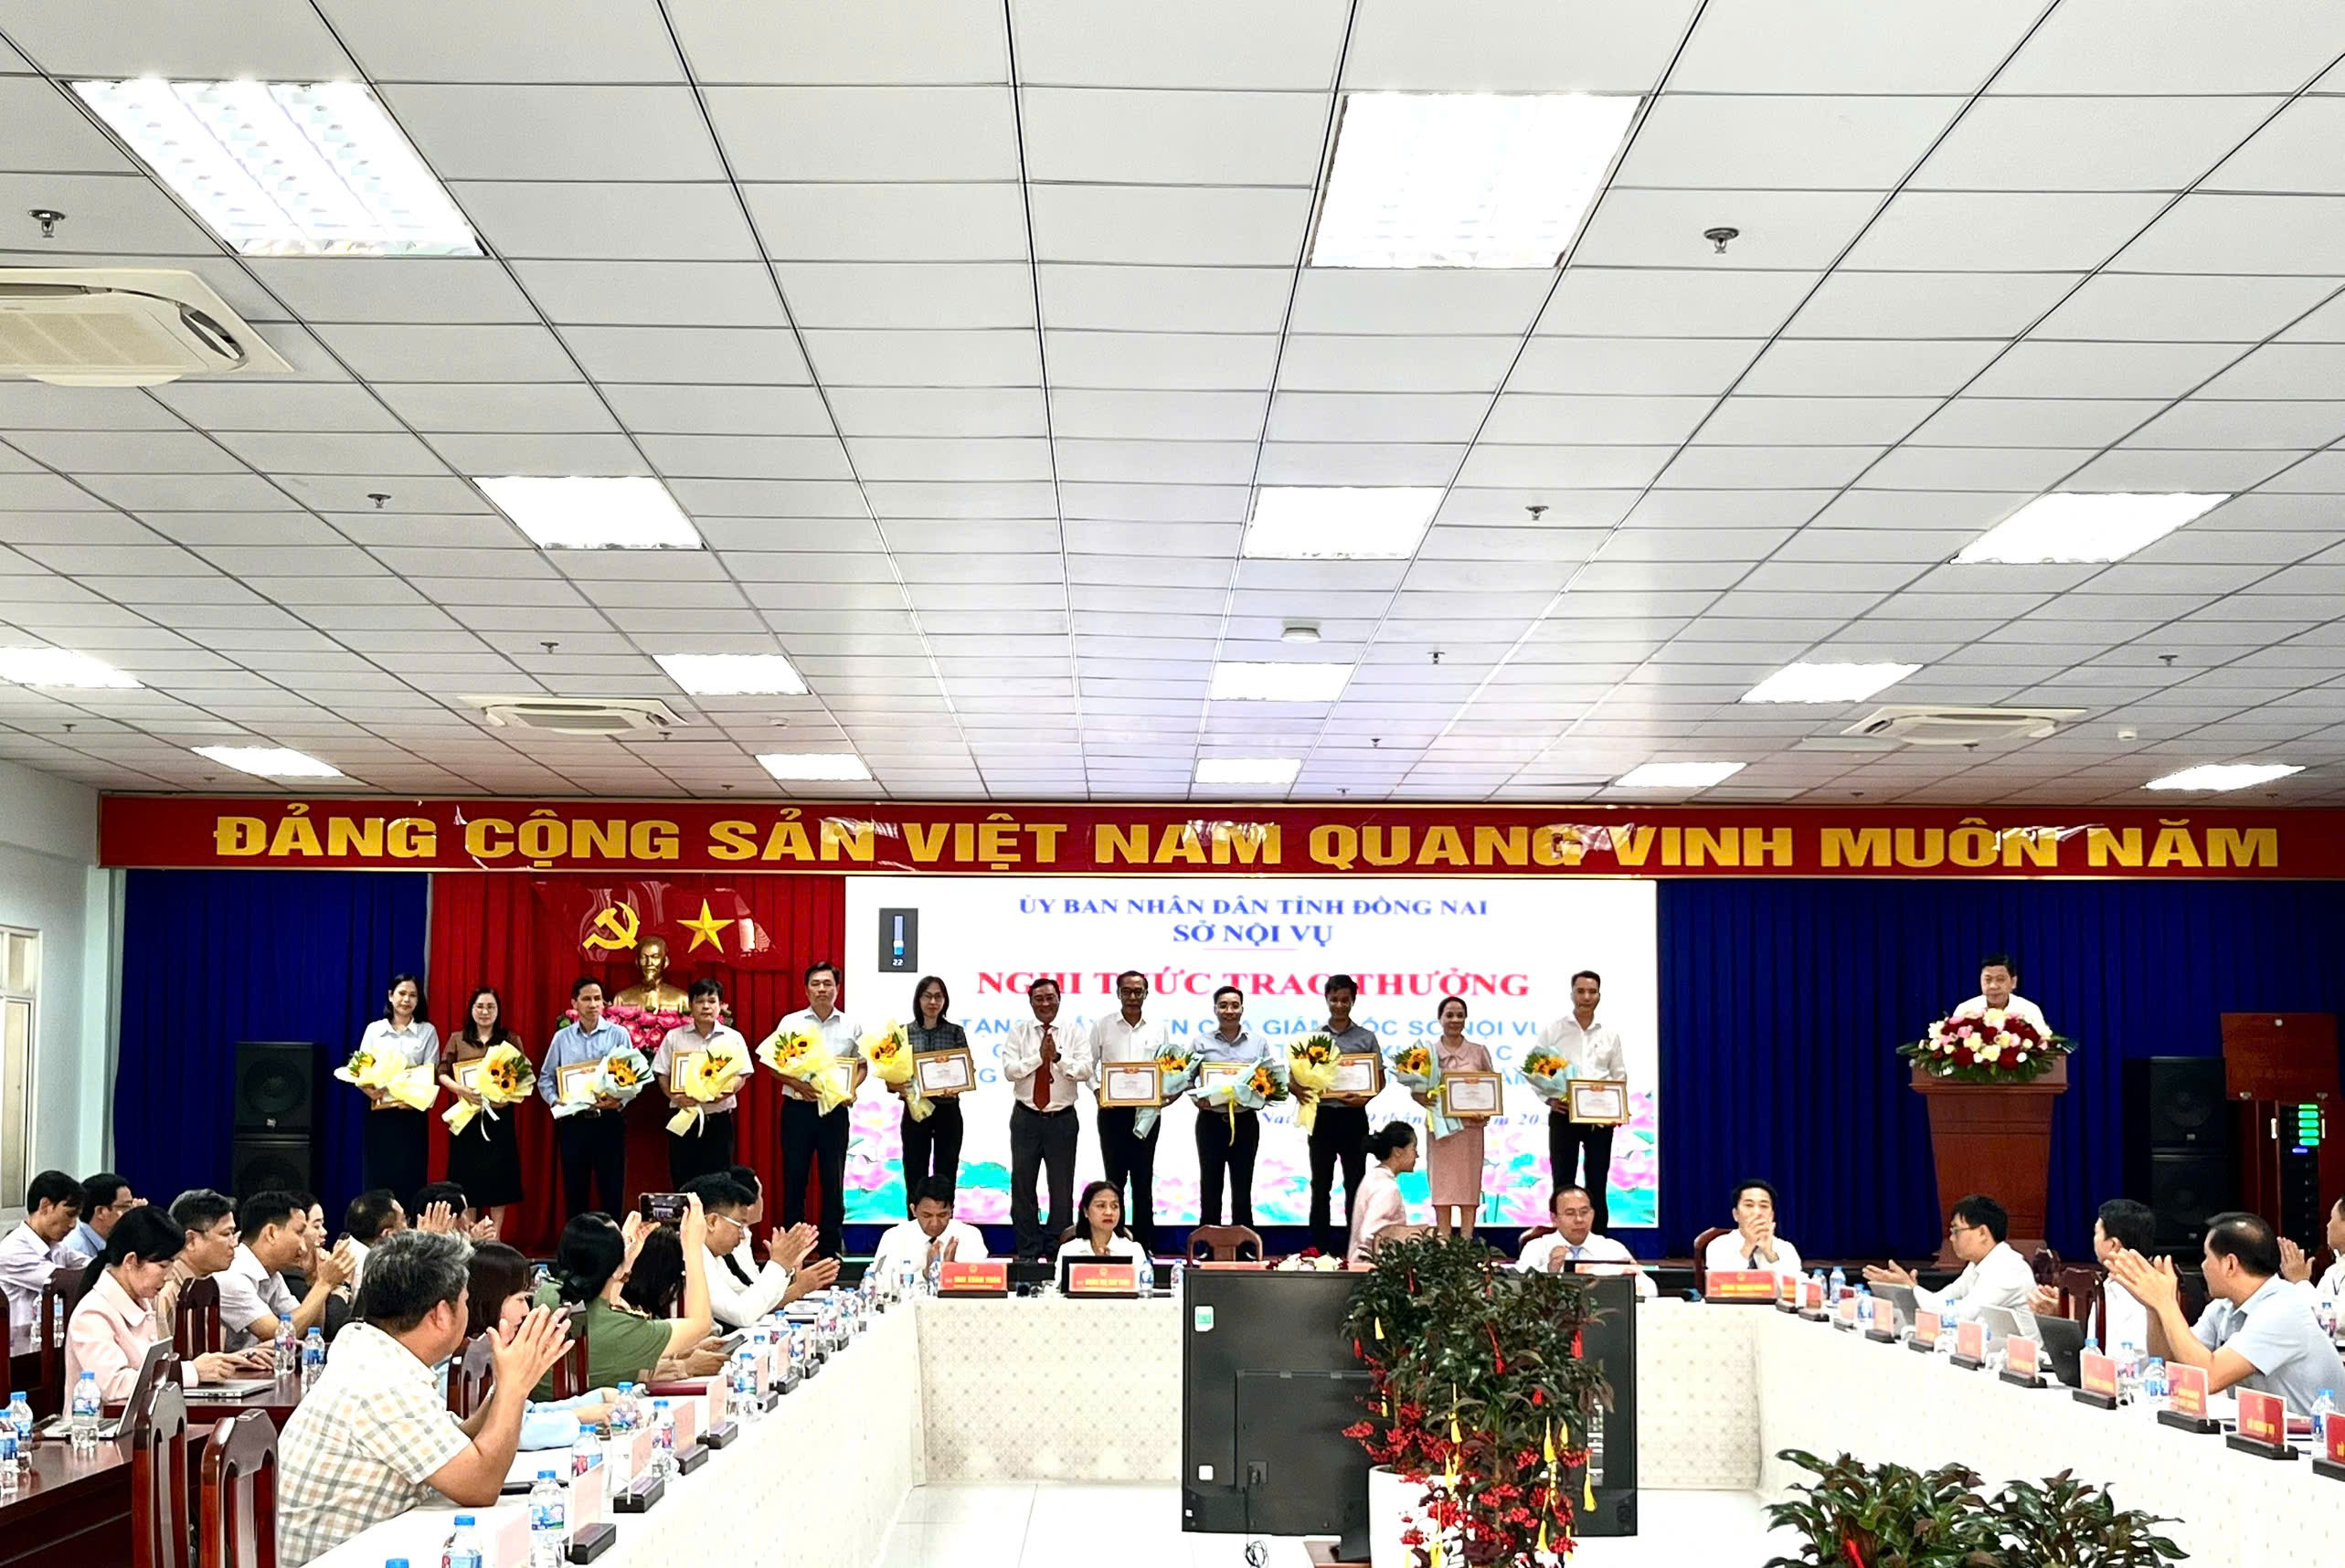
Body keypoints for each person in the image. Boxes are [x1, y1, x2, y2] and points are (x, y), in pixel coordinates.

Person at [275, 1230, 572, 1567]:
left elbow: (457, 1443)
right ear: (441, 1314)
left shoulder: (375, 1351)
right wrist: (515, 1390)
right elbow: (480, 1486)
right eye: (464, 1301)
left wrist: (507, 1385)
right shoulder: (383, 1380)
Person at [2108, 1211, 2342, 1417]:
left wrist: (2167, 1303)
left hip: (2317, 1443)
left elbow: (2209, 1378)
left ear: (2230, 1264)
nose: (2202, 1266)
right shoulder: (2223, 1307)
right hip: (2263, 1435)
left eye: (2206, 1257)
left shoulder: (2283, 1309)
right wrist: (2154, 1308)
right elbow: (2169, 1365)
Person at [65, 1205, 269, 1398]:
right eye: (163, 1266)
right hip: (104, 1422)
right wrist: (190, 1371)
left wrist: (228, 1362)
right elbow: (114, 1385)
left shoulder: (142, 1301)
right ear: (131, 1261)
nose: (169, 1275)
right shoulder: (92, 1314)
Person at [538, 1199, 714, 1394]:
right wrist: (692, 1248)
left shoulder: (544, 1295)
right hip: (591, 1412)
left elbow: (604, 1301)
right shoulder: (624, 1328)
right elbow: (700, 1324)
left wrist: (623, 1263)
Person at [462, 1243, 616, 1450]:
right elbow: (512, 1432)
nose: (526, 1311)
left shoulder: (493, 1351)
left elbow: (525, 1412)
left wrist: (598, 1399)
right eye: (520, 1299)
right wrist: (578, 1418)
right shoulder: (457, 1366)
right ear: (489, 1299)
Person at [768, 960, 862, 1258]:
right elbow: (772, 1065)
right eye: (816, 984)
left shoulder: (851, 1025)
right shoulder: (791, 1023)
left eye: (828, 984)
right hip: (798, 1110)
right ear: (806, 989)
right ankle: (792, 1250)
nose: (822, 989)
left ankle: (831, 1248)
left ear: (837, 988)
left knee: (833, 1181)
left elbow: (861, 1065)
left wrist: (851, 1089)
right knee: (795, 1179)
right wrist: (797, 1083)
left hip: (834, 1113)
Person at [1003, 976, 1091, 1260]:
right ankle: (1028, 1251)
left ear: (1059, 999)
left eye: (1050, 998)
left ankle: (1057, 1250)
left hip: (1062, 1119)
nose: (1045, 1004)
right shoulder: (1019, 1033)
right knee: (1023, 1186)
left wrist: (1057, 1059)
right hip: (1026, 1118)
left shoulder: (1074, 1032)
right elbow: (1010, 1071)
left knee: (1061, 1188)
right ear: (1030, 1002)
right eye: (1038, 999)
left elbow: (1085, 1070)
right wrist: (1039, 1058)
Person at [1534, 969, 1628, 1234]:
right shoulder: (1554, 1031)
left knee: (1597, 1181)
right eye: (1581, 991)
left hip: (1600, 1119)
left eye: (1592, 992)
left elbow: (1619, 1075)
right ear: (1572, 994)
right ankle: (1561, 1238)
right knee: (1562, 1180)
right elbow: (1535, 1068)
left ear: (1599, 995)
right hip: (1564, 1114)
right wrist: (1549, 1099)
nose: (1586, 997)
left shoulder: (1609, 1035)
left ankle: (1598, 1240)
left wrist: (1618, 1109)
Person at [541, 975, 635, 1222]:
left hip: (609, 1120)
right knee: (575, 1191)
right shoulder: (562, 1038)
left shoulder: (619, 1034)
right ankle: (576, 1242)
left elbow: (632, 1076)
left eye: (597, 999)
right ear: (575, 1003)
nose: (593, 1004)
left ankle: (614, 1240)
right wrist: (555, 1101)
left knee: (612, 1190)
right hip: (574, 1122)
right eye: (586, 999)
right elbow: (546, 1078)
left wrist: (620, 1101)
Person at [682, 1172, 833, 1325]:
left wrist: (786, 1270)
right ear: (712, 1222)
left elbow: (750, 1298)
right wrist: (779, 1265)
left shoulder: (714, 1254)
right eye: (740, 1225)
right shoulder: (694, 1254)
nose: (742, 1235)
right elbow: (741, 1314)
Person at [1090, 969, 1169, 1252]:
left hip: (1146, 1113)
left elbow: (1166, 1067)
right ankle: (1115, 1243)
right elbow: (1089, 1064)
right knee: (1114, 1181)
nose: (1132, 996)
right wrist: (1098, 1091)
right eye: (1127, 991)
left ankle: (1144, 1247)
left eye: (1138, 991)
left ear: (1146, 994)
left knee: (1143, 1180)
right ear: (1118, 993)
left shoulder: (1158, 1027)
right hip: (1112, 1112)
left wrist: (1165, 1091)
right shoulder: (1103, 1025)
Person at [439, 986, 525, 1234]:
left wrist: (506, 1094)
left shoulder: (510, 1039)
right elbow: (442, 1072)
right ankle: (470, 1236)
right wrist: (460, 1089)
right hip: (467, 1117)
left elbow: (522, 1076)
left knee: (499, 1179)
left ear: (498, 1011)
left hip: (499, 1118)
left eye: (490, 1007)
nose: (485, 1012)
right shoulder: (458, 1039)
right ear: (471, 1010)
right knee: (467, 1179)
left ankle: (495, 1236)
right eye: (480, 1006)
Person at [1864, 1194, 2033, 1322]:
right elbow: (1944, 1300)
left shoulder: (2009, 1268)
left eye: (1956, 1231)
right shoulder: (1976, 1264)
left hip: (2023, 1357)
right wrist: (1909, 1288)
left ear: (1982, 1232)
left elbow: (1962, 1315)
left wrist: (1911, 1287)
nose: (1951, 1238)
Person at [219, 1190, 354, 1350]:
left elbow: (311, 1330)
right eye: (299, 1233)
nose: (304, 1246)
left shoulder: (273, 1273)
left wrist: (316, 1281)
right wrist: (325, 1283)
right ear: (271, 1234)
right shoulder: (233, 1275)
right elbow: (278, 1335)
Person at [1306, 974, 1379, 1259]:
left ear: (1353, 1001)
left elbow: (1379, 1079)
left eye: (1345, 1000)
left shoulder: (1366, 1038)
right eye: (1334, 999)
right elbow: (1298, 1077)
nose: (1339, 1005)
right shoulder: (1313, 1038)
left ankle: (1356, 1247)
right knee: (1320, 1184)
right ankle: (1318, 1248)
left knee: (1356, 1184)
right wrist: (1302, 1089)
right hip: (1322, 1116)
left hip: (1354, 1117)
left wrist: (1365, 1098)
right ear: (1326, 999)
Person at [654, 978, 750, 1186]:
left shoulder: (733, 1038)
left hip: (718, 1119)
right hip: (684, 1117)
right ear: (691, 1005)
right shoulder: (674, 1037)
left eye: (711, 1001)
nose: (706, 1006)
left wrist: (725, 1092)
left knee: (719, 1182)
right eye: (699, 1001)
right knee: (683, 1179)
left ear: (720, 1005)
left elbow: (741, 1074)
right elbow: (661, 1072)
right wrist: (674, 1096)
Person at [2029, 1197, 2156, 1351]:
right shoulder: (2112, 1283)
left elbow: (2121, 1354)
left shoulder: (2136, 1291)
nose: (2094, 1240)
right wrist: (2064, 1312)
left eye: (2096, 1233)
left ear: (2113, 1245)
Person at [355, 973, 440, 1202]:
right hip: (379, 1114)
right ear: (391, 996)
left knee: (410, 1179)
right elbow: (360, 1068)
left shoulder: (427, 1031)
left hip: (411, 1116)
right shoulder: (374, 1030)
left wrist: (415, 1099)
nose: (406, 1000)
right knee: (377, 1179)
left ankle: (408, 1223)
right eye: (402, 993)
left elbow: (430, 1072)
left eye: (413, 995)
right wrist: (368, 1089)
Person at [1193, 985, 1272, 1228]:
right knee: (1210, 1186)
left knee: (1243, 1188)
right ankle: (1208, 1243)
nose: (1229, 1011)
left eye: (1235, 1006)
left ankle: (1244, 1244)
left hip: (1245, 1122)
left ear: (1242, 1009)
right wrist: (1197, 1099)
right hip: (1211, 1123)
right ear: (1215, 1009)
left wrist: (1260, 1097)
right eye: (1224, 1005)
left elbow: (1269, 1081)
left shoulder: (1258, 1043)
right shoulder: (1201, 1043)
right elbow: (1186, 1078)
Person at [1416, 995, 1491, 1236]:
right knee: (1443, 1189)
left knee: (1469, 1190)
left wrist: (1485, 1113)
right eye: (1449, 1015)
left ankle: (1466, 1244)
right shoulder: (1426, 1053)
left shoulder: (1479, 1052)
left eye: (1460, 1015)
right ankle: (1444, 1242)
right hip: (1441, 1131)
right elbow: (1416, 1089)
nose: (1455, 1020)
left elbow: (1491, 1091)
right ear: (1440, 1019)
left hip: (1470, 1131)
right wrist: (1421, 1097)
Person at [902, 974, 970, 1210]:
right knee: (914, 1171)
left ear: (944, 1001)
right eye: (927, 996)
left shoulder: (955, 1032)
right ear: (918, 999)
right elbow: (893, 1076)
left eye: (938, 997)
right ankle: (914, 1225)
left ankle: (945, 1223)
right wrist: (900, 1085)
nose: (933, 1002)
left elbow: (965, 1071)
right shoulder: (903, 1033)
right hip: (915, 1112)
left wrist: (957, 1086)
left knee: (947, 1171)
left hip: (947, 1111)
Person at [1519, 1185, 1656, 1299]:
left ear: (1593, 1214)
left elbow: (1650, 1290)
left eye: (1584, 1212)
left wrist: (1630, 1280)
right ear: (1554, 1218)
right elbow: (1518, 1289)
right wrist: (1549, 1271)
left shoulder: (1612, 1248)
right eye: (1570, 1213)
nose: (1579, 1219)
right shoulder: (1536, 1248)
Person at [1, 1169, 81, 1349]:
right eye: (70, 1214)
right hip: (17, 1352)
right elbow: (63, 1282)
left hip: (46, 1346)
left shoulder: (56, 1246)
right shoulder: (13, 1249)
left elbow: (89, 1265)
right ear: (45, 1206)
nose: (73, 1224)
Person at [871, 1177, 990, 1285]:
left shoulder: (970, 1236)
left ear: (951, 1211)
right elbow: (878, 1282)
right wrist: (925, 1274)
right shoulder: (894, 1237)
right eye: (927, 1215)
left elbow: (981, 1282)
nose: (935, 1223)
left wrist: (951, 1271)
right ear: (913, 1210)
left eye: (942, 1215)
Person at [154, 1188, 239, 1331]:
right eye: (226, 1234)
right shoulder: (165, 1293)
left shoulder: (208, 1286)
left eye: (233, 1233)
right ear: (191, 1240)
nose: (234, 1243)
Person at [1346, 1122, 1427, 1266]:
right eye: (1413, 1148)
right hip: (1372, 1270)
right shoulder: (1387, 1187)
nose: (1417, 1155)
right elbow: (1370, 1234)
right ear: (1398, 1151)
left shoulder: (1374, 1177)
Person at [1703, 1180, 1804, 1284]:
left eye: (1764, 1206)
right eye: (1749, 1205)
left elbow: (1794, 1287)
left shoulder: (1786, 1248)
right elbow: (1721, 1285)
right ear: (1736, 1214)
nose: (1757, 1212)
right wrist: (1748, 1245)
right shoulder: (1719, 1245)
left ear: (1772, 1215)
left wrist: (1770, 1254)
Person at [2278, 1192, 2345, 1313]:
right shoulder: (2332, 1272)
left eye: (2331, 1218)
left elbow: (2338, 1318)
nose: (2328, 1225)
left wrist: (2300, 1282)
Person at [1056, 1180, 1146, 1262]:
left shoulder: (1134, 1250)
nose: (1109, 1212)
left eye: (1114, 1206)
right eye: (1101, 1206)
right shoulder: (1069, 1250)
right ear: (1086, 1211)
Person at [1959, 952, 2048, 1034]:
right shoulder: (1965, 1009)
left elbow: (2044, 1042)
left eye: (2000, 979)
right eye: (1988, 979)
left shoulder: (2029, 1010)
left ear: (2013, 982)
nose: (1993, 986)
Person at [341, 1189, 406, 1295]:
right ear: (388, 1234)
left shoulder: (348, 1247)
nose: (408, 1226)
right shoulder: (373, 1275)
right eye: (403, 1219)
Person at [68, 1173, 135, 1264]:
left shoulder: (114, 1241)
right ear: (101, 1212)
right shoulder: (74, 1248)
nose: (132, 1212)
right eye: (126, 1207)